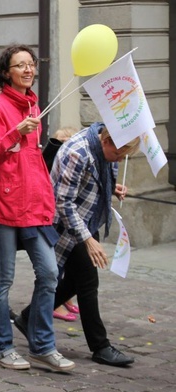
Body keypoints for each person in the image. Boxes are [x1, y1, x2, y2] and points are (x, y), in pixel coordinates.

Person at [0, 44, 74, 372]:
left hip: (32, 206)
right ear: (7, 73)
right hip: (2, 205)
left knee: (49, 274)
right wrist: (15, 133)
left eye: (31, 64)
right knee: (2, 280)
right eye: (20, 65)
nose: (28, 70)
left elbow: (30, 161)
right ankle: (1, 347)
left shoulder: (33, 106)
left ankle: (42, 346)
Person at [16, 125, 138, 367]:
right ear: (107, 141)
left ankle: (29, 317)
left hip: (87, 219)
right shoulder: (78, 151)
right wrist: (87, 239)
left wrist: (110, 188)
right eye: (119, 155)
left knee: (74, 281)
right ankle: (100, 346)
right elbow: (63, 202)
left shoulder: (103, 150)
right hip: (65, 225)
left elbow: (94, 179)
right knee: (88, 280)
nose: (119, 160)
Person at [45, 126, 81, 322]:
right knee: (55, 263)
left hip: (69, 216)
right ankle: (55, 301)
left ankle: (64, 297)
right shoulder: (55, 158)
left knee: (69, 264)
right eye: (62, 143)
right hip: (55, 216)